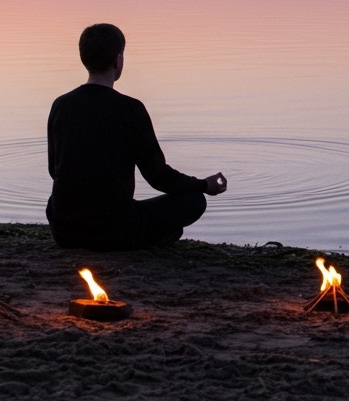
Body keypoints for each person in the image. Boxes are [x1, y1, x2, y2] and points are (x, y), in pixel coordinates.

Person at [46, 23, 227, 250]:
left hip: (64, 232)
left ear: (84, 58)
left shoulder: (61, 105)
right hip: (114, 229)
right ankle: (146, 239)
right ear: (117, 60)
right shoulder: (130, 109)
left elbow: (55, 170)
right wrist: (204, 185)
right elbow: (157, 176)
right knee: (193, 201)